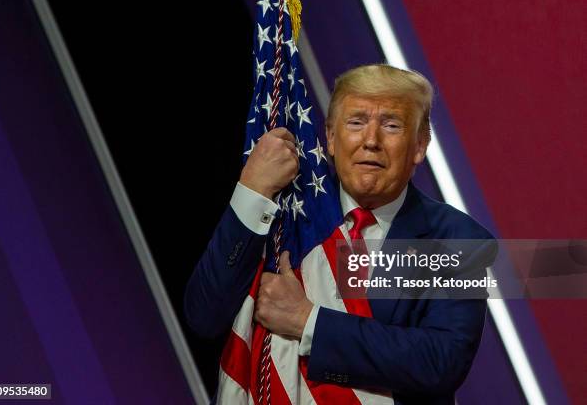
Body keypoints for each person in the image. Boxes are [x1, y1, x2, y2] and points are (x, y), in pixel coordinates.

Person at [184, 64, 496, 405]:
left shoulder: (458, 240)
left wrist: (308, 321)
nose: (371, 141)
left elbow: (440, 362)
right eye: (356, 122)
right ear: (330, 138)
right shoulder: (284, 217)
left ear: (420, 145)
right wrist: (251, 191)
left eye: (391, 125)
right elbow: (204, 316)